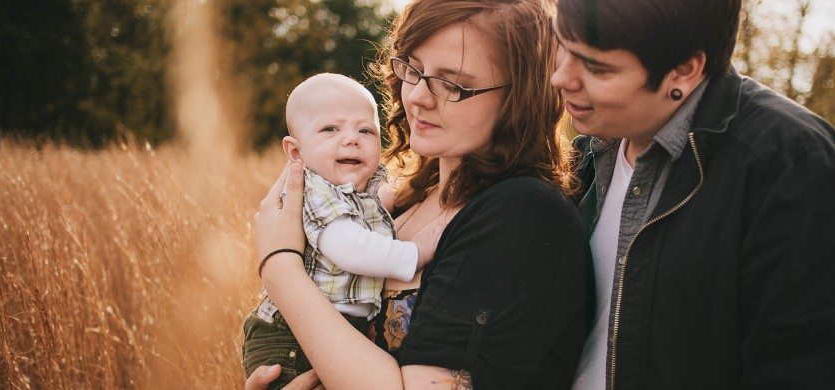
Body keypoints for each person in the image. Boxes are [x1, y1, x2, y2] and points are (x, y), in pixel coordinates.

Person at [249, 0, 593, 388]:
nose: (416, 97)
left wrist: (281, 269)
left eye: (452, 84)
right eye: (413, 68)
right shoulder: (404, 198)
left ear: (520, 97)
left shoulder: (524, 216)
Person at [552, 0, 835, 388]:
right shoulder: (582, 159)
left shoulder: (793, 168)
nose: (561, 77)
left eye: (595, 66)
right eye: (562, 45)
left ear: (683, 70)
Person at [241, 73, 440, 389]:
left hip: (332, 326)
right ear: (296, 152)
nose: (351, 138)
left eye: (365, 130)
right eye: (330, 129)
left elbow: (381, 202)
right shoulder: (315, 191)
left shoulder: (360, 185)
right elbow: (350, 248)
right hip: (287, 336)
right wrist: (413, 254)